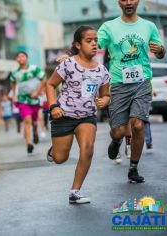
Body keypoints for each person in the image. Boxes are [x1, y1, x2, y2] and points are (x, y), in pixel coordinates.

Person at [98, 0, 166, 183]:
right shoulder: (109, 27)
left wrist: (160, 50)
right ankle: (117, 141)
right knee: (119, 131)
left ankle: (133, 168)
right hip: (118, 84)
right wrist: (72, 55)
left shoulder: (148, 26)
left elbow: (160, 52)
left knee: (137, 125)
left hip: (142, 81)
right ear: (119, 2)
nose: (128, 2)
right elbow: (91, 45)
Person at [46, 26, 111, 204]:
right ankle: (54, 149)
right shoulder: (67, 64)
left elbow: (106, 94)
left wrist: (105, 100)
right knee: (60, 158)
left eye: (96, 40)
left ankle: (75, 191)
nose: (94, 44)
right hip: (63, 115)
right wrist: (53, 107)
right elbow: (50, 85)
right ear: (78, 44)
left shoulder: (102, 71)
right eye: (89, 41)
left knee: (88, 149)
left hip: (87, 117)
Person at [10, 51, 46, 154]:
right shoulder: (14, 72)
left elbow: (44, 79)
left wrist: (37, 91)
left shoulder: (34, 69)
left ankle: (35, 132)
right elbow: (12, 82)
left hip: (34, 98)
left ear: (27, 58)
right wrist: (13, 95)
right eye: (18, 56)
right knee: (27, 119)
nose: (20, 58)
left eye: (23, 56)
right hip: (22, 99)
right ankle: (29, 143)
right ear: (16, 60)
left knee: (34, 122)